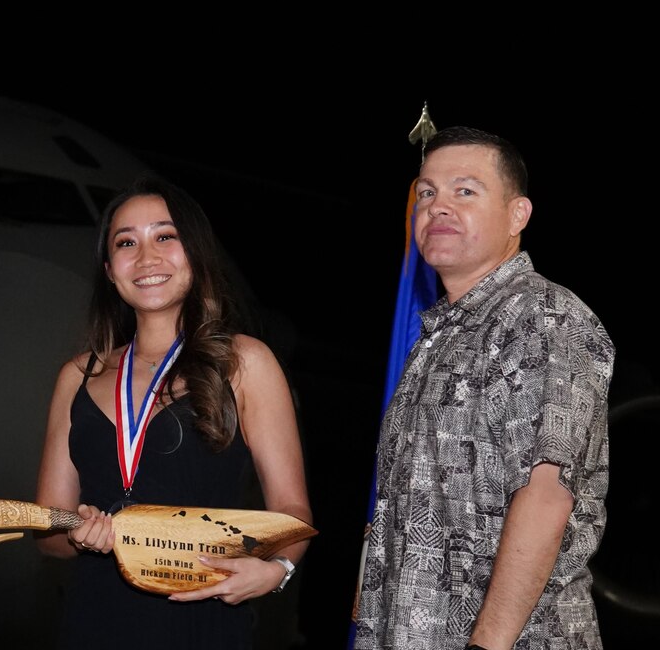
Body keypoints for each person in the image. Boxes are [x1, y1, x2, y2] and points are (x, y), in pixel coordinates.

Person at [354, 126, 615, 649]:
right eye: (427, 193)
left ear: (518, 215)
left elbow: (546, 495)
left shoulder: (542, 317)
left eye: (464, 191)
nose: (437, 207)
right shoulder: (438, 335)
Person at [34, 174, 313, 649]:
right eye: (127, 242)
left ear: (197, 253)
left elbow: (291, 507)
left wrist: (276, 570)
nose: (146, 257)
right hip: (93, 623)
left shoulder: (245, 363)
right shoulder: (77, 376)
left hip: (202, 622)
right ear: (108, 268)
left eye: (166, 236)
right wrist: (78, 533)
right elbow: (47, 531)